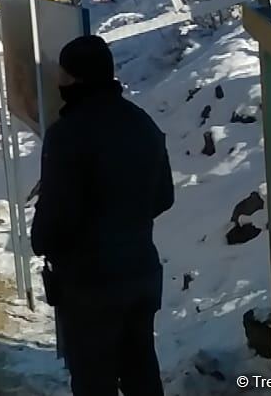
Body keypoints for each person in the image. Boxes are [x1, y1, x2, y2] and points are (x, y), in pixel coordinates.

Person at [31, 35, 174, 396]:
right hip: (141, 269)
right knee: (142, 371)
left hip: (89, 282)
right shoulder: (142, 123)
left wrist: (43, 241)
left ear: (74, 78)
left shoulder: (67, 134)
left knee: (94, 379)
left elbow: (58, 214)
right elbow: (164, 196)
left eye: (62, 73)